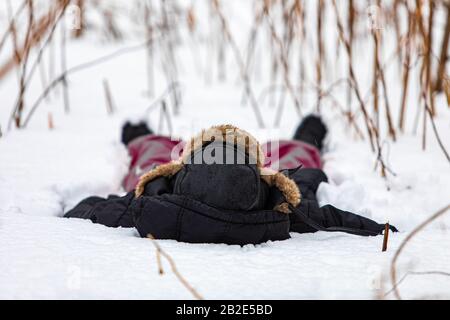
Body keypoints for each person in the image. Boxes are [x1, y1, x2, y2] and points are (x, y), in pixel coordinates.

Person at [65, 115, 397, 245]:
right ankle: (304, 136)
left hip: (185, 173)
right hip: (251, 174)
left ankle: (143, 136)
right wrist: (384, 231)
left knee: (153, 159)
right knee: (295, 159)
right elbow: (332, 218)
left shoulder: (151, 201)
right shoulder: (280, 206)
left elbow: (91, 210)